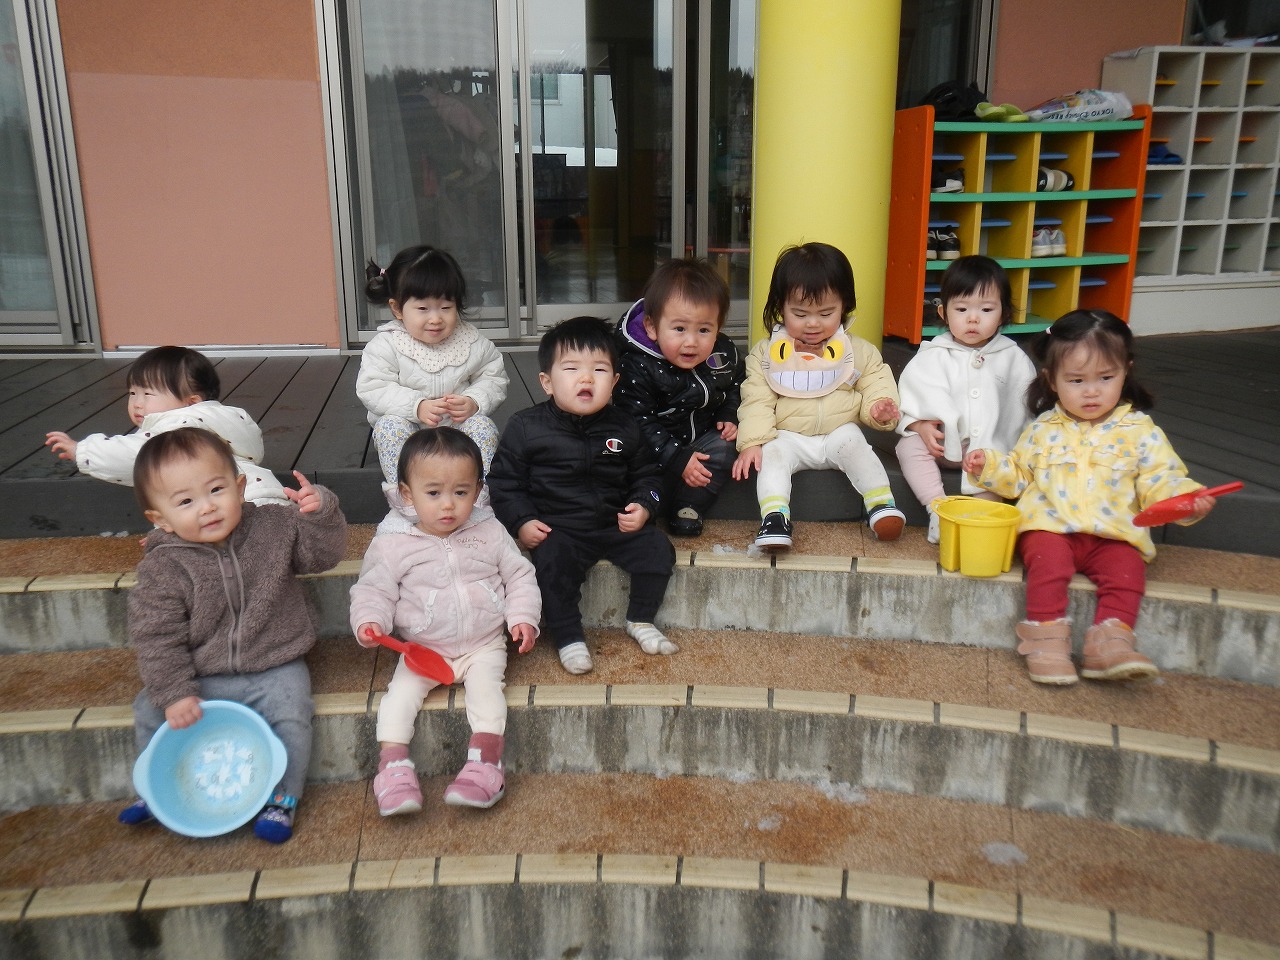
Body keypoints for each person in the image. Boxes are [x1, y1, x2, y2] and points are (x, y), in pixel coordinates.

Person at [962, 310, 1217, 686]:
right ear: (1051, 380)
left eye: (1106, 378)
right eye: (1077, 380)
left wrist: (1184, 499)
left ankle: (1110, 642)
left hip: (1114, 533)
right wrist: (989, 466)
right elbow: (1018, 476)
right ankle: (1046, 641)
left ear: (1126, 371)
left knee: (1128, 573)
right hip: (1050, 528)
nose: (1092, 391)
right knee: (1048, 566)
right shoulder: (1043, 429)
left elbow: (1160, 479)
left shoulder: (1140, 430)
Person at [118, 427, 348, 842]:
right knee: (149, 708)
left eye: (216, 490)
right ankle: (156, 787)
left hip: (273, 663)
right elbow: (156, 637)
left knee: (292, 709)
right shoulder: (163, 568)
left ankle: (283, 798)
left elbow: (323, 556)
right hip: (201, 673)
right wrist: (175, 693)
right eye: (185, 502)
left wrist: (320, 513)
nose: (207, 507)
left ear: (240, 488)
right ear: (160, 519)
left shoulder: (275, 527)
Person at [349, 429, 540, 815]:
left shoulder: (489, 531)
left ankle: (486, 766)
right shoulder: (392, 542)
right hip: (422, 649)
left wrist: (522, 616)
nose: (448, 505)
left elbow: (519, 575)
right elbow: (374, 589)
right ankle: (393, 768)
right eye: (434, 493)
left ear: (478, 490)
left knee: (487, 695)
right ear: (408, 494)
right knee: (398, 699)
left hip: (483, 643)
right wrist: (369, 619)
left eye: (461, 492)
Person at [488, 316, 677, 675]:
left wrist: (644, 506)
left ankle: (641, 619)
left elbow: (649, 475)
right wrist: (522, 520)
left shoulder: (625, 425)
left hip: (614, 524)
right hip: (559, 528)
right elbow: (503, 482)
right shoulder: (526, 426)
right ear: (547, 382)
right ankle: (568, 637)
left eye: (599, 370)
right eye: (572, 368)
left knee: (657, 548)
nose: (586, 378)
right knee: (551, 565)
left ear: (615, 381)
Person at [732, 242, 905, 549]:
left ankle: (881, 505)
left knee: (855, 442)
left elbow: (876, 381)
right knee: (772, 455)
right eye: (800, 313)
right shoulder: (766, 355)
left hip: (838, 433)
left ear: (844, 306)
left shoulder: (856, 350)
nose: (813, 323)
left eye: (826, 313)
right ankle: (775, 517)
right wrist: (752, 442)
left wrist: (879, 408)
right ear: (781, 308)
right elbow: (756, 399)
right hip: (788, 437)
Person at [358, 245, 508, 520]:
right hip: (411, 432)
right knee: (388, 427)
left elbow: (494, 376)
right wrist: (416, 406)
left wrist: (474, 401)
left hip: (457, 430)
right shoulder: (387, 345)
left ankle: (477, 500)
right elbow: (373, 387)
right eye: (423, 308)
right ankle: (407, 501)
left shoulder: (471, 342)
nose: (435, 318)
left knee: (484, 427)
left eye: (446, 307)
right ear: (397, 308)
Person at [895, 256, 1036, 543]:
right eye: (961, 309)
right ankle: (936, 507)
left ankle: (981, 523)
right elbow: (910, 399)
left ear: (1003, 314)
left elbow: (1024, 408)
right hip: (942, 445)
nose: (973, 318)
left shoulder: (1013, 358)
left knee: (995, 473)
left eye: (986, 309)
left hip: (988, 452)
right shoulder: (933, 354)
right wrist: (919, 426)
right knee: (908, 446)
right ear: (944, 313)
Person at [45, 345, 288, 504]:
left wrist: (82, 451)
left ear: (191, 402)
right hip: (265, 493)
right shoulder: (222, 422)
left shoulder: (177, 429)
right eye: (132, 393)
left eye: (148, 394)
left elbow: (136, 456)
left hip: (236, 503)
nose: (137, 403)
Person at [615, 257, 744, 537]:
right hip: (654, 450)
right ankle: (646, 504)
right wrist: (675, 457)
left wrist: (728, 414)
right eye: (679, 329)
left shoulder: (722, 353)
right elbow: (636, 420)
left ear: (718, 327)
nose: (691, 342)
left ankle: (689, 505)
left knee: (726, 444)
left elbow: (736, 384)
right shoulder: (637, 364)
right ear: (652, 327)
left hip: (700, 441)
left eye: (704, 330)